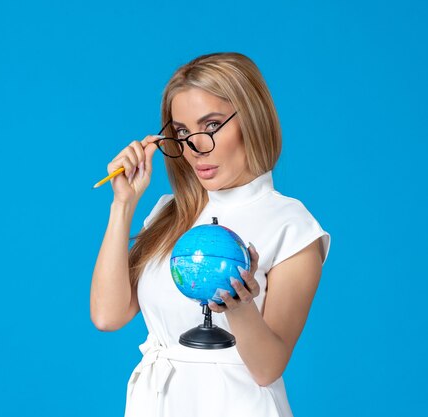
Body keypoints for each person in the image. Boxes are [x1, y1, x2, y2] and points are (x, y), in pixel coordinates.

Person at [90, 52, 331, 417]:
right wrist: (123, 205)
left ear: (252, 118)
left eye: (213, 126)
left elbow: (268, 369)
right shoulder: (169, 212)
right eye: (182, 132)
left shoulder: (292, 225)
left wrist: (240, 306)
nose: (196, 147)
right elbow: (108, 316)